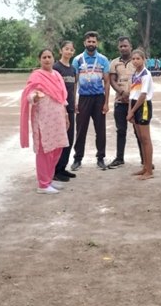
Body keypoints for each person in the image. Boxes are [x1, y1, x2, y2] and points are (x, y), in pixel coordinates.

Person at [20, 48, 70, 194]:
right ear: (40, 60)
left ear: (54, 58)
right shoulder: (36, 76)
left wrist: (66, 115)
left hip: (58, 118)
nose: (47, 59)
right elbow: (29, 94)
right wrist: (35, 97)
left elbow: (62, 98)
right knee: (45, 150)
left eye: (49, 57)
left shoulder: (57, 75)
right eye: (44, 57)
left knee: (57, 149)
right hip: (43, 119)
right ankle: (43, 184)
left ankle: (49, 179)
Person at [70, 31, 110, 171]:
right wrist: (74, 101)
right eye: (89, 41)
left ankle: (100, 158)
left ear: (97, 43)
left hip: (99, 98)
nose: (91, 44)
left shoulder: (103, 59)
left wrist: (106, 102)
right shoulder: (78, 59)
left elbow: (107, 82)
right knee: (81, 129)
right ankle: (77, 158)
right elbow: (75, 82)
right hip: (84, 98)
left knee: (100, 129)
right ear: (84, 43)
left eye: (93, 41)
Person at [109, 36, 142, 169]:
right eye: (121, 46)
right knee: (121, 131)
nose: (123, 48)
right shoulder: (114, 63)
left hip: (136, 102)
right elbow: (112, 80)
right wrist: (122, 92)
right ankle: (119, 158)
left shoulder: (136, 61)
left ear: (131, 46)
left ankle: (145, 159)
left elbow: (142, 79)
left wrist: (132, 95)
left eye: (125, 46)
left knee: (139, 131)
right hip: (120, 102)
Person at [127, 49, 154, 180]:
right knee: (140, 138)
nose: (135, 61)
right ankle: (145, 167)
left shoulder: (145, 74)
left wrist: (132, 111)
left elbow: (143, 95)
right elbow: (132, 94)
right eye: (133, 59)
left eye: (138, 58)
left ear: (144, 60)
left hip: (143, 106)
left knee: (145, 138)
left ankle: (149, 170)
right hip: (134, 104)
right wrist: (130, 110)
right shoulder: (135, 74)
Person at [52, 41, 78, 182]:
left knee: (69, 138)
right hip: (59, 108)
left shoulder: (73, 69)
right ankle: (55, 170)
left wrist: (74, 102)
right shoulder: (56, 68)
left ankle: (62, 167)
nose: (69, 51)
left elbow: (73, 87)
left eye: (71, 49)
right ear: (60, 51)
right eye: (66, 49)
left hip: (71, 107)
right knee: (60, 139)